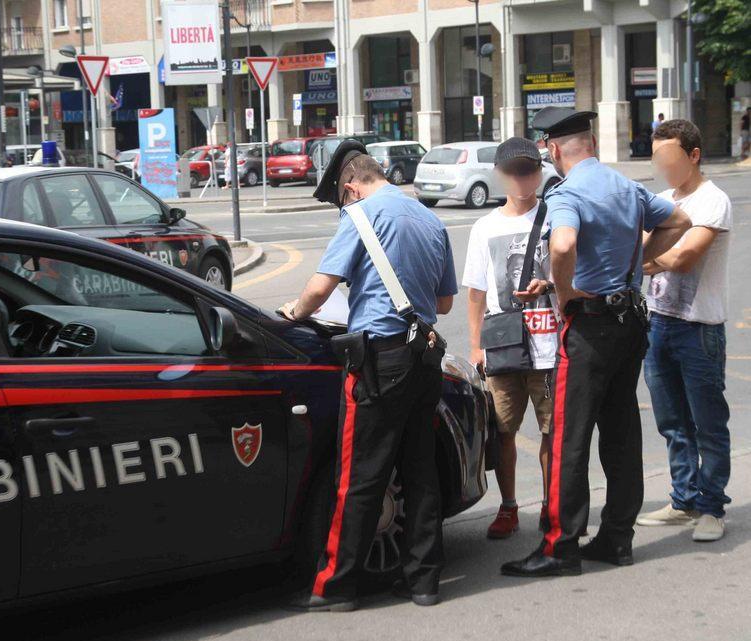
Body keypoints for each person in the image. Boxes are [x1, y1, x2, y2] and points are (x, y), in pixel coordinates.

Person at [501, 107, 691, 578]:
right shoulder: (625, 186)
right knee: (622, 430)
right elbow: (679, 220)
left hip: (589, 328)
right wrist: (634, 268)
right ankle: (617, 539)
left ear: (552, 149)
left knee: (569, 437)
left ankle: (559, 547)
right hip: (629, 323)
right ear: (592, 145)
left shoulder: (569, 193)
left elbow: (563, 246)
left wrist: (563, 292)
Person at [281, 139, 458, 611]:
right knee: (420, 473)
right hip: (425, 358)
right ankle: (423, 581)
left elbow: (320, 289)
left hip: (380, 362)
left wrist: (292, 312)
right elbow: (443, 304)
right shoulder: (428, 217)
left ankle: (336, 586)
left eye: (340, 199)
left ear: (351, 188)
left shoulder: (359, 216)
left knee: (359, 475)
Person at [636, 119, 732, 541]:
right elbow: (636, 248)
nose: (664, 166)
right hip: (657, 323)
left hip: (699, 328)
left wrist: (651, 259)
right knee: (672, 421)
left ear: (693, 155)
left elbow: (686, 257)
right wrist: (653, 256)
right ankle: (683, 499)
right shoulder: (660, 200)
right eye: (658, 158)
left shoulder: (714, 201)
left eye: (670, 157)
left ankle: (712, 507)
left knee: (708, 423)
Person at [463, 137, 556, 539]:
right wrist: (475, 347)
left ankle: (553, 506)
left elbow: (572, 276)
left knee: (553, 430)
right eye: (513, 172)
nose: (521, 179)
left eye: (528, 170)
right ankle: (509, 506)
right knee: (503, 432)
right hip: (503, 347)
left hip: (551, 345)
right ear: (500, 175)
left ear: (539, 171)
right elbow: (475, 294)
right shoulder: (485, 227)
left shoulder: (556, 216)